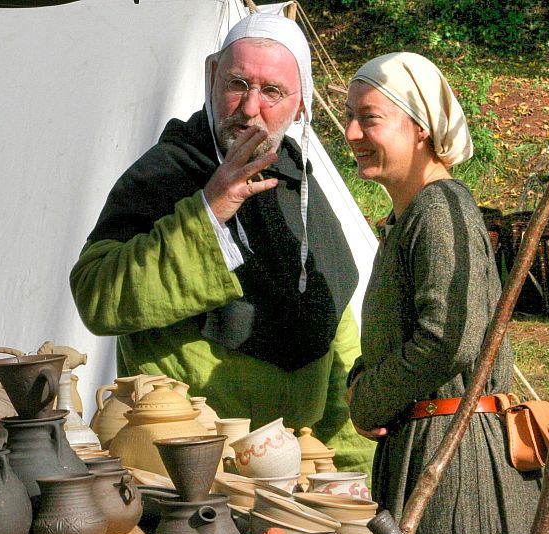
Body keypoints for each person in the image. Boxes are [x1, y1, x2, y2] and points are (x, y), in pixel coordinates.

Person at [70, 13, 373, 472]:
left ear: (302, 104)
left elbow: (333, 326)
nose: (250, 108)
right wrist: (208, 210)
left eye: (272, 91)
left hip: (291, 470)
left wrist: (350, 469)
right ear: (212, 78)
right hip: (186, 464)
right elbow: (97, 296)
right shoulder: (166, 171)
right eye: (237, 83)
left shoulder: (301, 185)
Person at [344, 52, 549, 534]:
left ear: (420, 127)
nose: (352, 133)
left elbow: (451, 336)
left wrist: (370, 397)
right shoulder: (409, 216)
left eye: (369, 119)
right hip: (426, 440)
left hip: (456, 452)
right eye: (350, 118)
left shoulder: (442, 208)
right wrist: (365, 382)